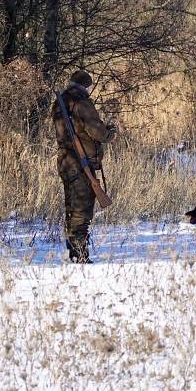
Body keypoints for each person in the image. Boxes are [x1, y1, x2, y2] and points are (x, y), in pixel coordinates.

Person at [50, 70, 117, 263]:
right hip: (81, 163)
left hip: (65, 161)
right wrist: (110, 134)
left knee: (72, 208)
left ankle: (73, 251)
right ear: (86, 86)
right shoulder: (81, 102)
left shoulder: (60, 102)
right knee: (81, 211)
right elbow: (96, 131)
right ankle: (79, 255)